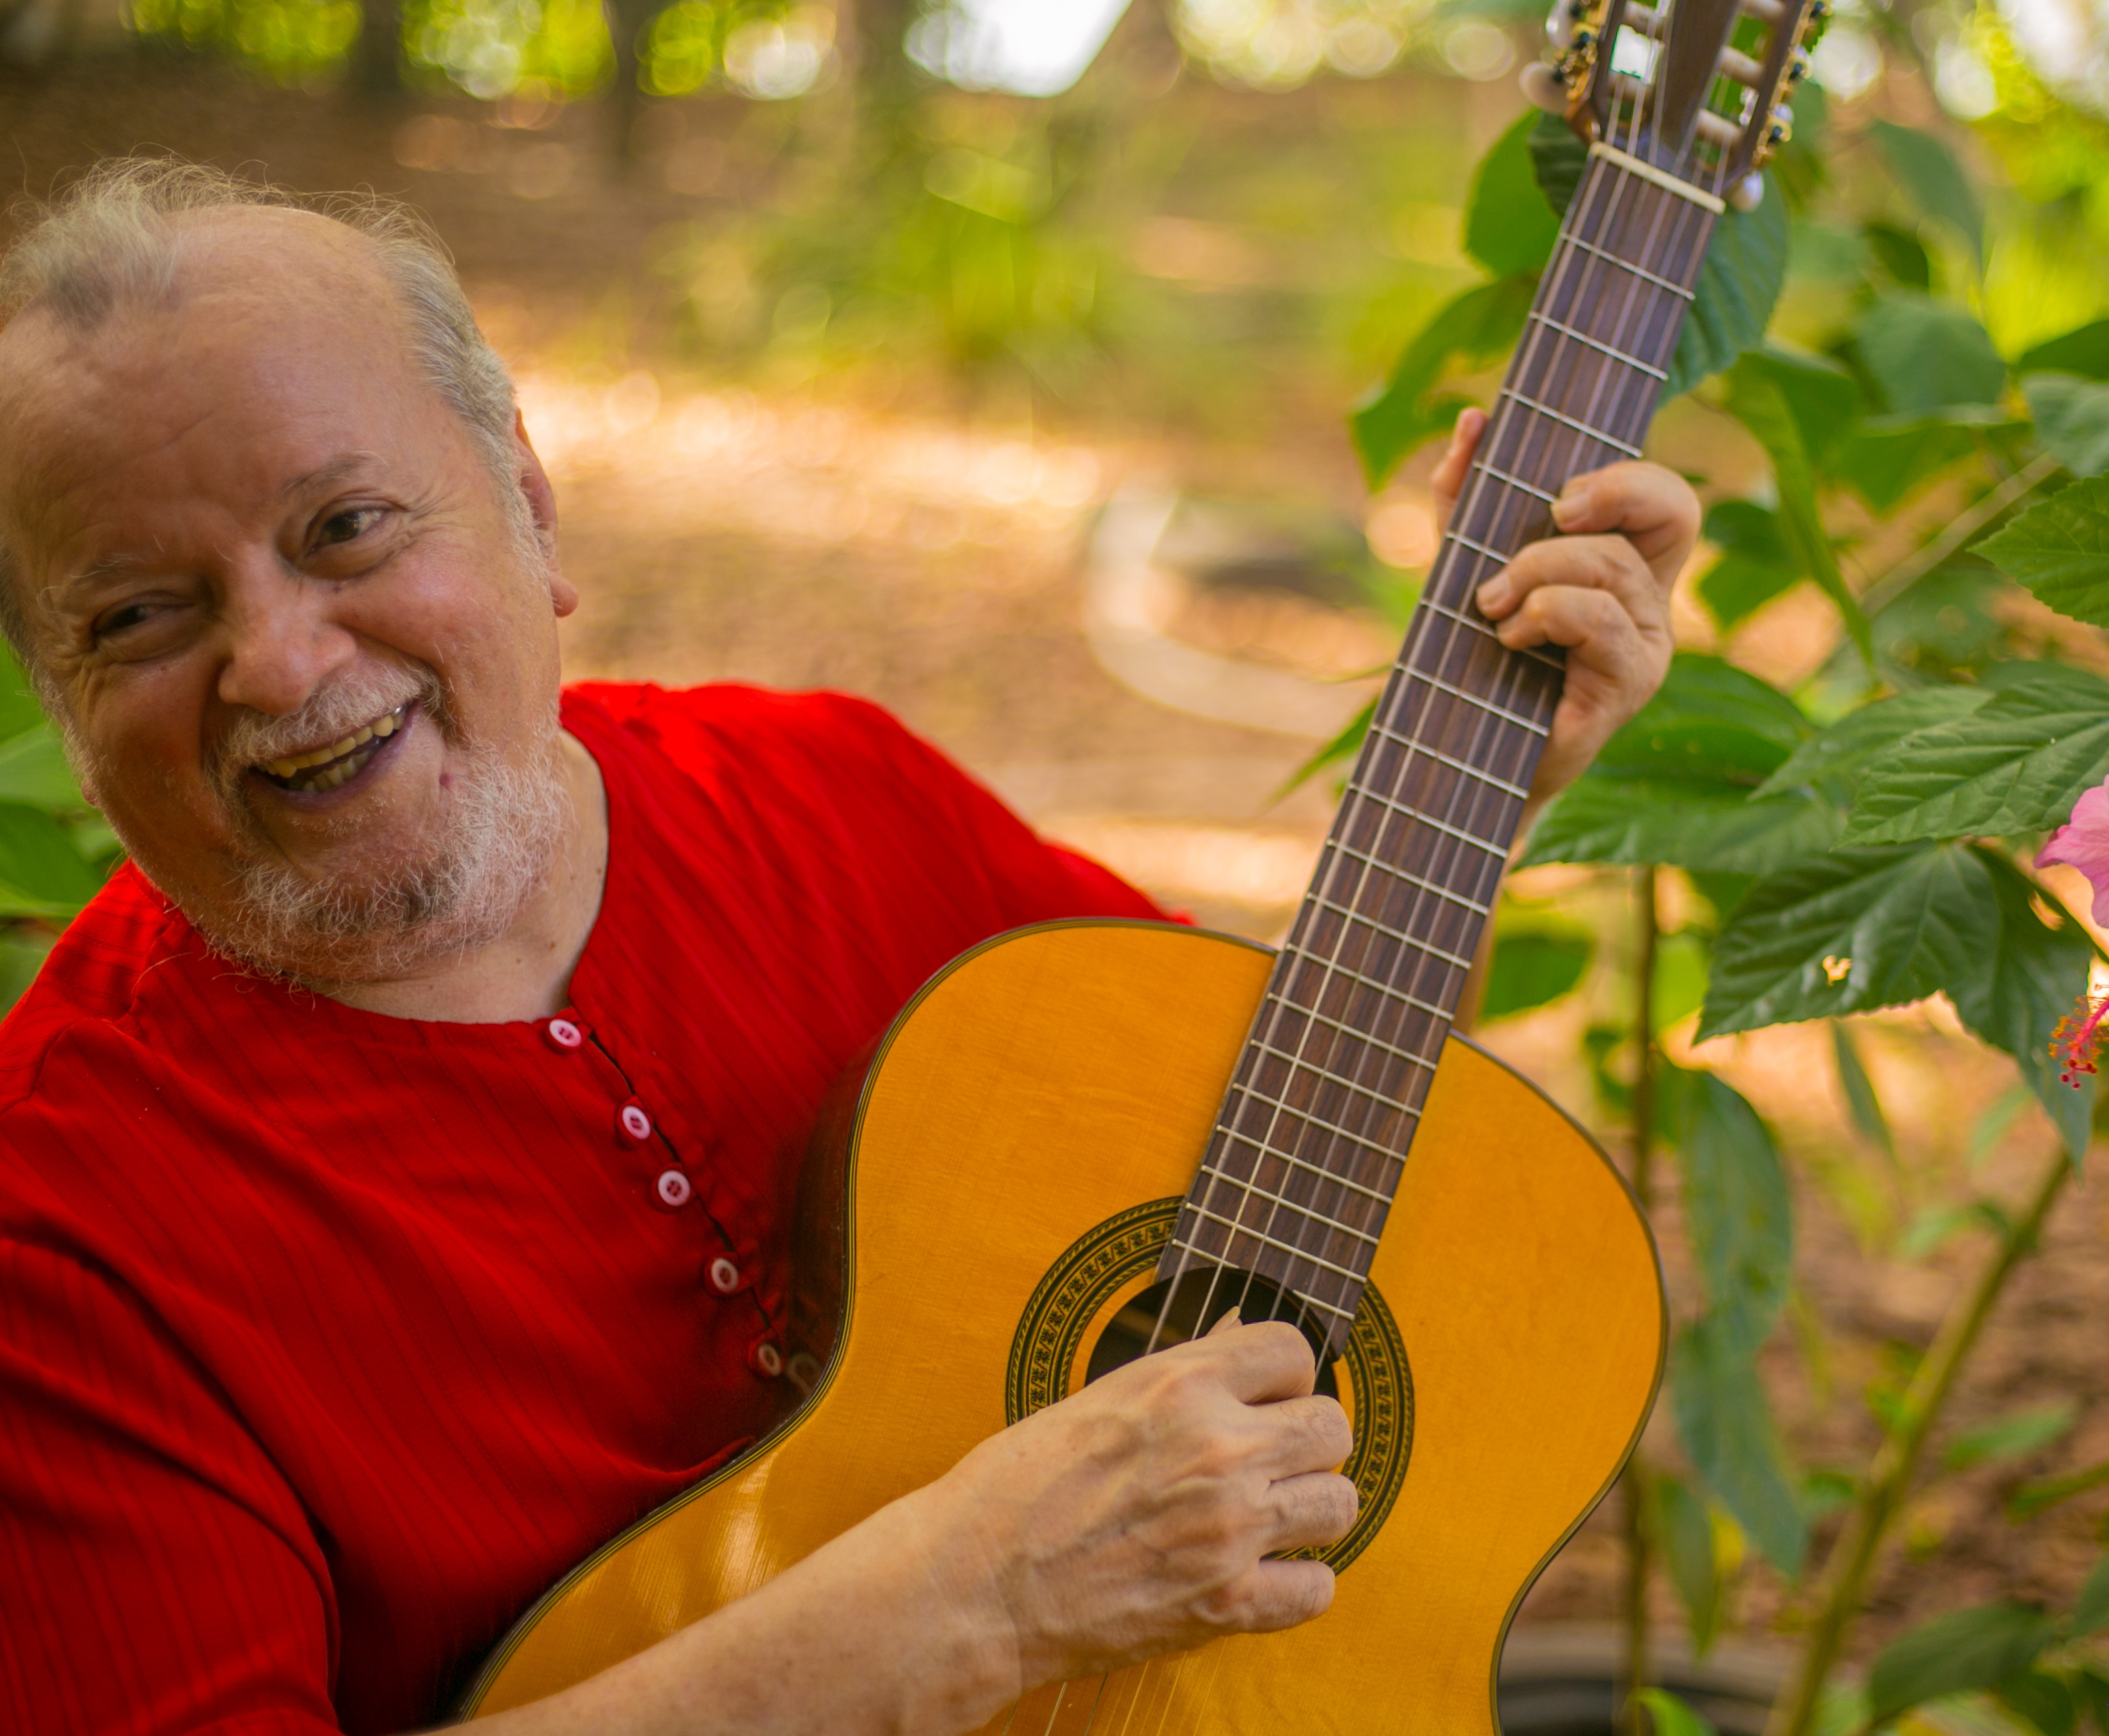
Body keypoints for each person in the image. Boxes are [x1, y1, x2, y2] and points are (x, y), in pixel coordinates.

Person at [0, 159, 1696, 1735]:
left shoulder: (831, 790)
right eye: (139, 613)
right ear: (59, 700)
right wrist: (976, 1597)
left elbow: (1296, 1155)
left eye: (344, 526)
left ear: (524, 490)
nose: (282, 667)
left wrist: (1492, 789)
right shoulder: (54, 1231)